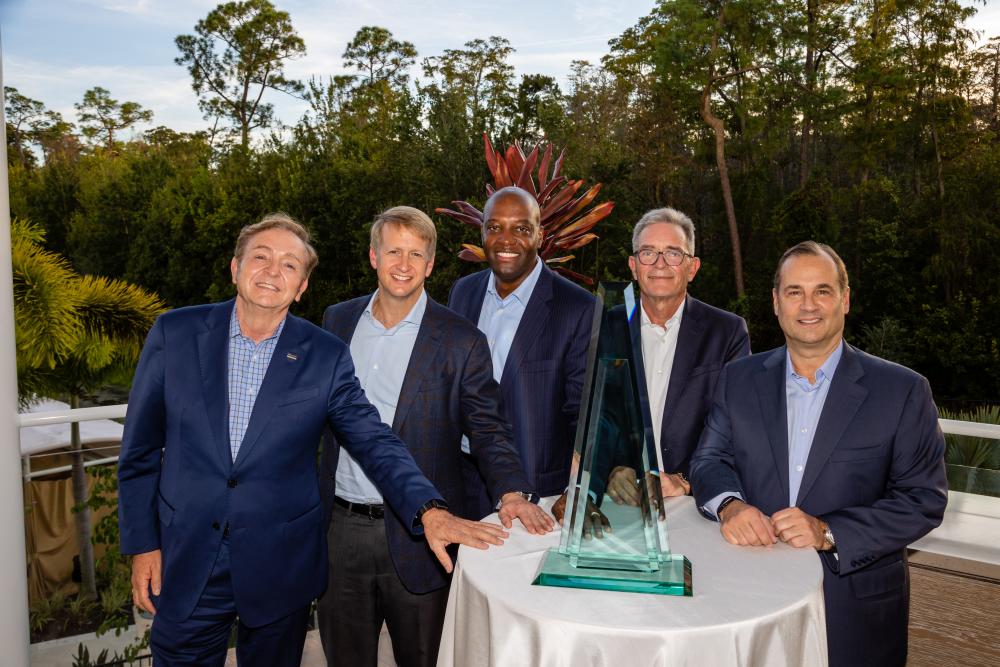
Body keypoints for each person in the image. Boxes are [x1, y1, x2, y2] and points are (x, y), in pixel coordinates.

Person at [117, 213, 508, 667]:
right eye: (261, 258)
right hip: (188, 559)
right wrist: (144, 545)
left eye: (289, 266)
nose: (272, 272)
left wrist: (428, 508)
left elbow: (372, 439)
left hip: (278, 566)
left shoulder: (324, 354)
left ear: (301, 287)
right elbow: (140, 452)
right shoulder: (175, 333)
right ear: (235, 268)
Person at [689, 240, 947, 667]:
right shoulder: (739, 379)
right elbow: (709, 460)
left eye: (822, 291)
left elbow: (923, 500)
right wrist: (730, 507)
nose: (808, 305)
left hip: (852, 611)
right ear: (775, 303)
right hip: (747, 596)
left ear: (845, 300)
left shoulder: (902, 391)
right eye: (794, 292)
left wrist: (829, 532)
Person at [316, 206, 553, 667]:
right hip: (339, 531)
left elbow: (488, 429)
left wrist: (511, 491)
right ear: (372, 257)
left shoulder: (461, 339)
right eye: (393, 252)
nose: (403, 264)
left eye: (416, 254)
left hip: (424, 537)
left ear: (429, 265)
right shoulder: (337, 322)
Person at [552, 207, 750, 527]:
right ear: (633, 265)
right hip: (618, 503)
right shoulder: (603, 326)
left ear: (692, 267)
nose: (659, 264)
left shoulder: (726, 333)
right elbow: (587, 413)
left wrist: (683, 480)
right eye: (648, 252)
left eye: (673, 253)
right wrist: (612, 468)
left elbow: (733, 428)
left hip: (692, 505)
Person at [449, 186, 595, 519]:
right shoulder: (463, 292)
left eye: (521, 228)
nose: (506, 239)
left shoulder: (576, 308)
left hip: (535, 494)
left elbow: (584, 416)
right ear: (482, 231)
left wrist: (577, 488)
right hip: (462, 480)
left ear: (540, 235)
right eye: (495, 226)